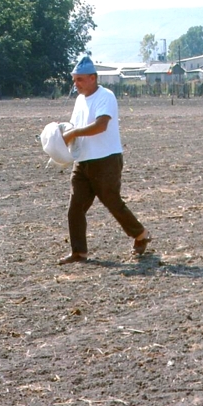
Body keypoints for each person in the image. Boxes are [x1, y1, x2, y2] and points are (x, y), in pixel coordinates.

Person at [57, 56, 152, 264]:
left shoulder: (105, 96)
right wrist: (59, 136)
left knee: (113, 203)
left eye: (80, 79)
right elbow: (74, 126)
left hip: (106, 160)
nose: (76, 84)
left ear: (93, 78)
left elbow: (101, 126)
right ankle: (78, 252)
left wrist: (72, 135)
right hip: (82, 162)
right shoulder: (80, 100)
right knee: (75, 208)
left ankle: (141, 235)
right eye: (74, 79)